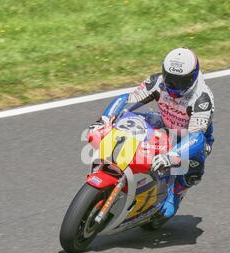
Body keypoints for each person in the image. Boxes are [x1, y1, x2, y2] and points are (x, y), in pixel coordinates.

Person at [89, 47, 215, 218]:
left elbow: (197, 137)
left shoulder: (202, 99)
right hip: (163, 122)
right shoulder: (158, 82)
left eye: (180, 82)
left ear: (192, 77)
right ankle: (117, 165)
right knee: (127, 119)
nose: (173, 86)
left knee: (192, 168)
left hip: (189, 136)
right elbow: (127, 98)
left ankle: (174, 195)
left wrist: (170, 155)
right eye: (170, 79)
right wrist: (104, 120)